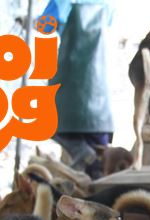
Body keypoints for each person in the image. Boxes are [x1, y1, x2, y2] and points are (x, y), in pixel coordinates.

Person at [46, 0, 116, 179]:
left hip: (71, 82)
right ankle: (94, 169)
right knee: (99, 158)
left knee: (51, 124)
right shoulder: (107, 4)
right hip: (98, 85)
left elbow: (45, 26)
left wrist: (29, 21)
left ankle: (82, 152)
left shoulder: (62, 2)